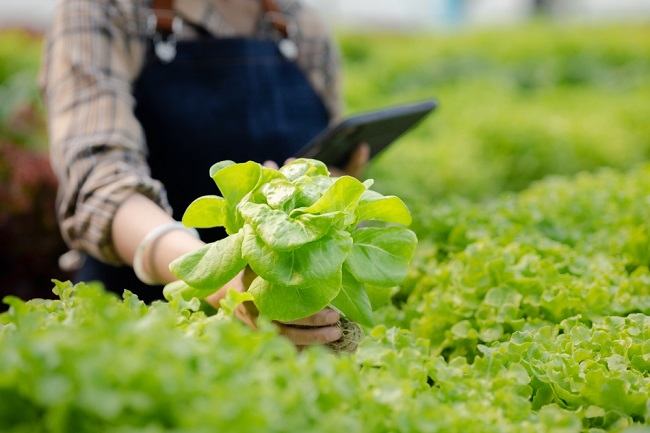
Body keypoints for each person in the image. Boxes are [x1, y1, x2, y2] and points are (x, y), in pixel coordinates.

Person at [41, 0, 369, 347]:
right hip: (139, 329)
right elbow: (100, 184)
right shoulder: (107, 9)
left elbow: (321, 158)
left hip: (290, 332)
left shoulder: (299, 21)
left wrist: (327, 187)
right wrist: (219, 281)